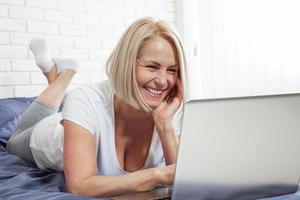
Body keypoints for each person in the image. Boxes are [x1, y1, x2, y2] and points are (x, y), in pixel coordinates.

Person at [6, 17, 187, 197]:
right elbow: (80, 186)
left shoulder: (169, 109)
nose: (163, 82)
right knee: (12, 143)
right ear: (126, 64)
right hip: (50, 135)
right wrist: (156, 175)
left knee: (72, 106)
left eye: (172, 70)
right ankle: (64, 75)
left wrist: (164, 125)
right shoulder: (86, 99)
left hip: (80, 118)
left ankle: (54, 75)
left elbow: (184, 182)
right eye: (152, 67)